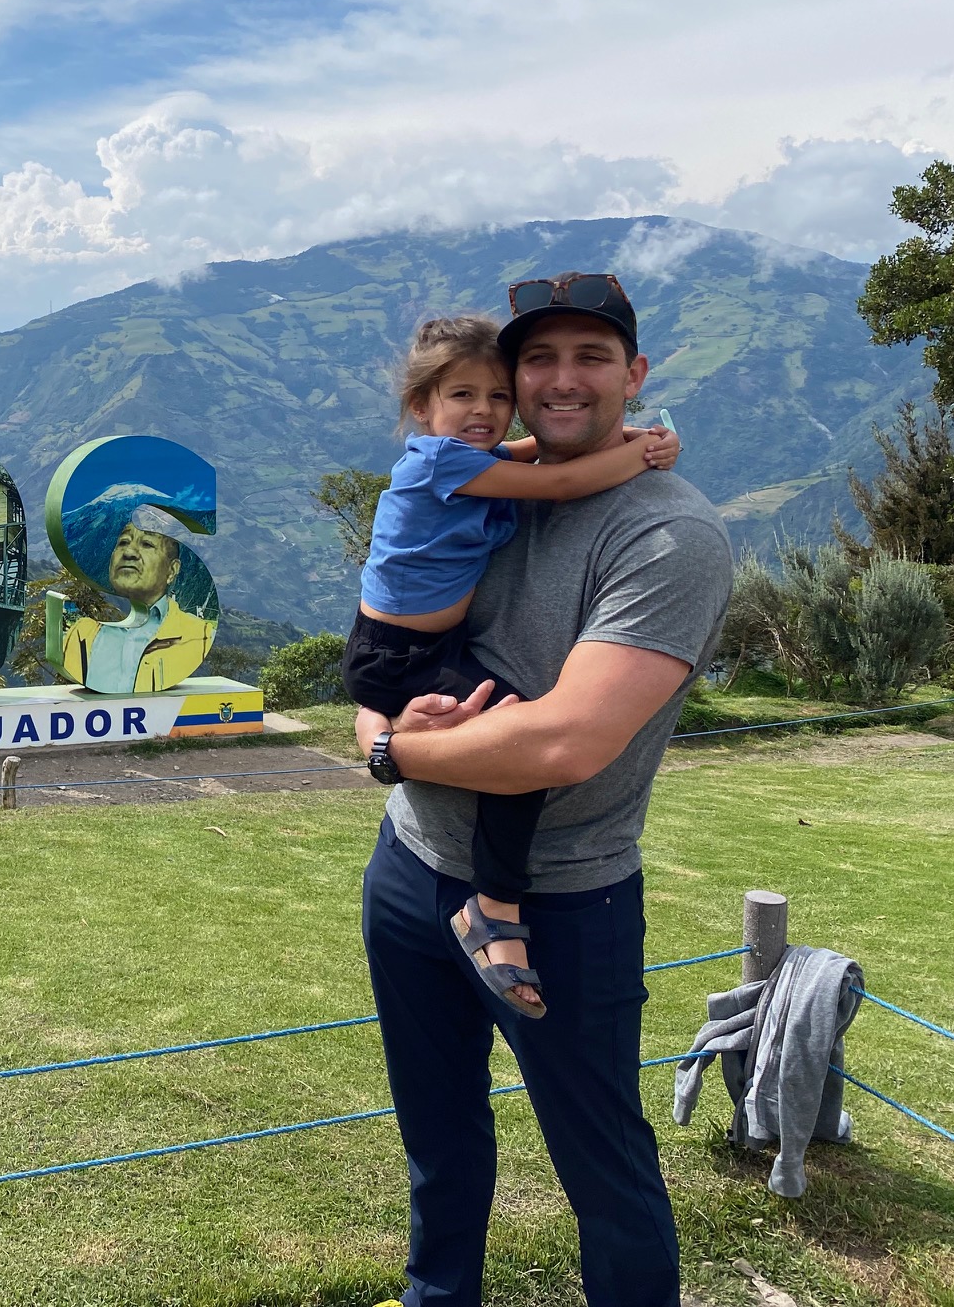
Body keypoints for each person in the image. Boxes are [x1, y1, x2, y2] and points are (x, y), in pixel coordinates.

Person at [353, 273, 732, 1307]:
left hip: (565, 896)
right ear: (512, 384)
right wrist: (381, 730)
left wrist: (387, 749)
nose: (563, 381)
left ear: (635, 374)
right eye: (541, 361)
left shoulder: (669, 535)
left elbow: (562, 745)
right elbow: (401, 631)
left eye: (592, 357)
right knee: (437, 1136)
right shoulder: (491, 478)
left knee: (601, 1164)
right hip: (411, 865)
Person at [343, 314, 679, 1015]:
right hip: (397, 656)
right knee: (516, 748)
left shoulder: (466, 456)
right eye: (463, 396)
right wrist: (642, 449)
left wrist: (619, 438)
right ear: (421, 408)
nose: (485, 412)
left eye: (498, 397)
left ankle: (477, 879)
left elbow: (526, 452)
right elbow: (558, 483)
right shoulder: (441, 460)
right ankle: (492, 907)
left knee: (503, 735)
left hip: (412, 649)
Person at [61, 522, 213, 691]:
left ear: (171, 571)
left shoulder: (200, 636)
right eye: (123, 542)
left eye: (147, 544)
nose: (129, 552)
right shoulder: (80, 635)